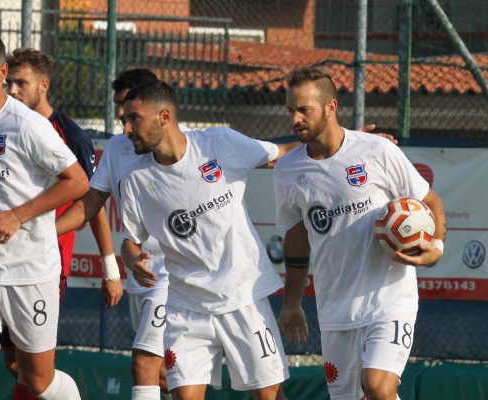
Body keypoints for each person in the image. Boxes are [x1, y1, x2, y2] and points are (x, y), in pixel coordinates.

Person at [0, 47, 124, 400]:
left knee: (36, 379)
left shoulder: (36, 127)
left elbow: (82, 189)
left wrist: (19, 216)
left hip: (31, 268)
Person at [117, 79, 297, 400]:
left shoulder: (220, 144)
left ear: (164, 116)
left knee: (268, 396)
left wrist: (352, 143)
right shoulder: (135, 179)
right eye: (124, 121)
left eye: (134, 119)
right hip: (185, 307)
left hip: (242, 297)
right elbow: (130, 240)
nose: (127, 128)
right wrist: (133, 261)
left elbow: (282, 156)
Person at [273, 67, 446, 400]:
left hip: (389, 301)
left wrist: (436, 246)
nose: (295, 118)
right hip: (335, 310)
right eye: (290, 110)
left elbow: (431, 201)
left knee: (378, 387)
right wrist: (292, 302)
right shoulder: (287, 170)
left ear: (330, 107)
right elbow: (296, 240)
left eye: (303, 110)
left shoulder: (376, 151)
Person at [56, 68, 177, 400]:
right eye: (119, 110)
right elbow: (91, 204)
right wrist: (40, 231)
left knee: (143, 365)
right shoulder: (117, 149)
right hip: (140, 274)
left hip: (174, 278)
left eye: (130, 111)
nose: (124, 122)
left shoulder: (190, 145)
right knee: (168, 374)